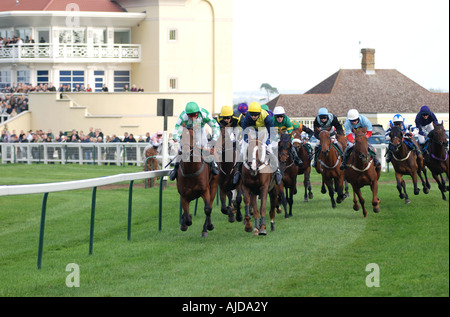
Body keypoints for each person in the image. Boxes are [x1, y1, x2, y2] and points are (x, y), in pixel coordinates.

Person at [233, 101, 282, 185]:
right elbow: (244, 129)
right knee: (243, 149)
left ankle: (277, 170)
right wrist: (246, 140)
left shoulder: (266, 117)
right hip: (251, 132)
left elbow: (272, 132)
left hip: (263, 132)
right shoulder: (248, 116)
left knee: (270, 150)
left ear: (259, 113)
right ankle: (238, 171)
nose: (253, 116)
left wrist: (268, 141)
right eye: (252, 114)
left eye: (255, 115)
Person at [169, 102, 220, 181]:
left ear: (198, 112)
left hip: (200, 131)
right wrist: (182, 141)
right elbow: (175, 133)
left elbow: (215, 126)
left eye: (194, 115)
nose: (192, 118)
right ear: (187, 114)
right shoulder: (183, 116)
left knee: (206, 148)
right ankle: (175, 169)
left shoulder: (204, 114)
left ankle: (213, 165)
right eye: (190, 116)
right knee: (180, 149)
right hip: (187, 132)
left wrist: (214, 141)